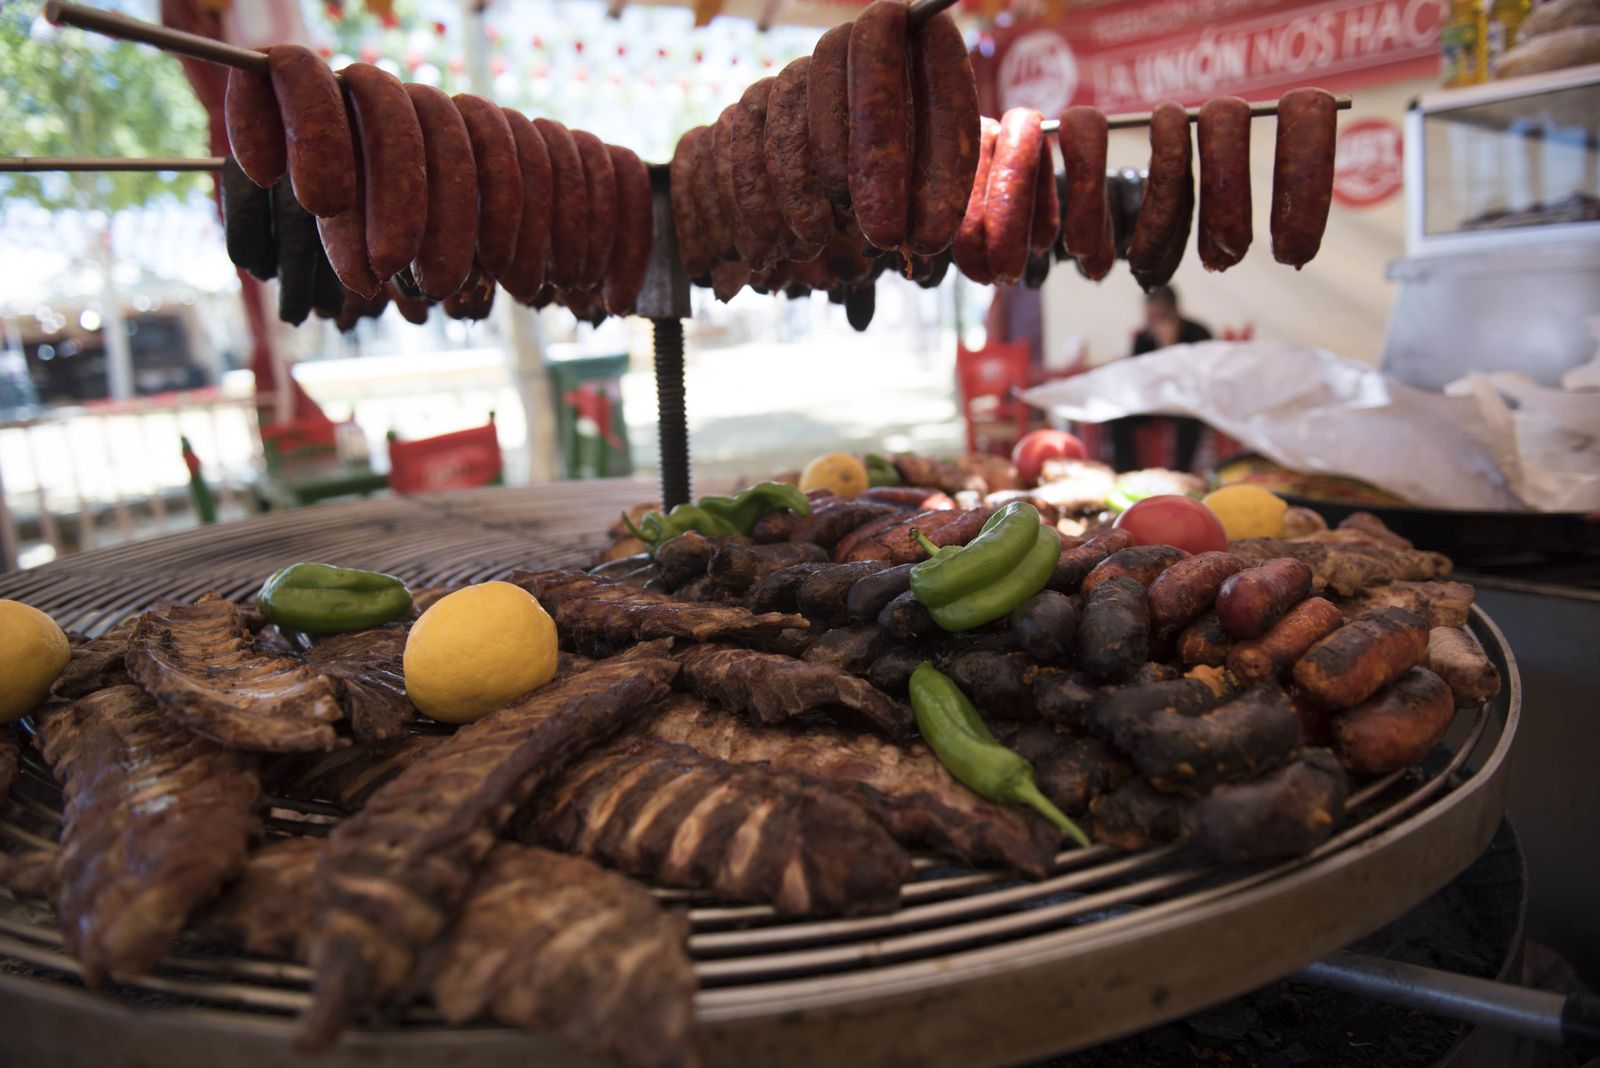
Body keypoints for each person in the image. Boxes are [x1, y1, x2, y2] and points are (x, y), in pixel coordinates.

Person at [1110, 285, 1213, 472]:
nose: (1155, 323)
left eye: (1160, 316)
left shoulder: (1197, 333)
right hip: (1153, 401)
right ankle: (1127, 471)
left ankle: (1182, 473)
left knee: (1188, 422)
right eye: (1150, 317)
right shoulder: (1143, 338)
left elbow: (1200, 375)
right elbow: (1137, 375)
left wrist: (1169, 345)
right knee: (1117, 415)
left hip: (1187, 401)